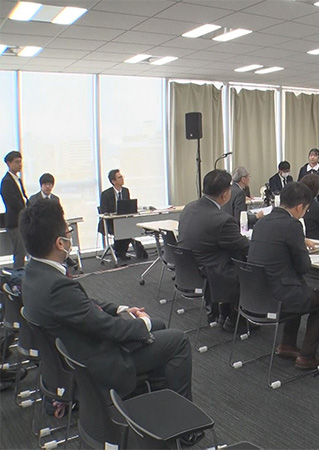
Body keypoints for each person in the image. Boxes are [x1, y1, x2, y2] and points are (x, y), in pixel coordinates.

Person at [19, 199, 202, 444]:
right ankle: (184, 428)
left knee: (157, 327)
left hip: (74, 352)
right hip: (97, 362)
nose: (70, 236)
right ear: (60, 243)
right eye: (68, 232)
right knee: (177, 340)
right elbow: (107, 328)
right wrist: (142, 324)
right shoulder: (56, 287)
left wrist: (120, 309)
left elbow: (81, 304)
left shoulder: (34, 273)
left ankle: (154, 401)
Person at [248, 182, 319, 369]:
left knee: (296, 286)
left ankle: (287, 345)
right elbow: (304, 267)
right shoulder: (292, 225)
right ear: (300, 207)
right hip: (278, 298)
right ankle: (306, 356)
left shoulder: (262, 222)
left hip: (257, 295)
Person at [178, 169, 250, 330]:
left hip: (189, 270)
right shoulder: (222, 220)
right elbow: (243, 246)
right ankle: (235, 318)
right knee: (248, 265)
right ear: (225, 194)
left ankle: (223, 312)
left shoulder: (189, 208)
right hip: (211, 272)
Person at [98, 169, 148, 261]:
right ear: (113, 181)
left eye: (122, 177)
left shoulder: (125, 191)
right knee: (123, 228)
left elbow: (127, 207)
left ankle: (120, 251)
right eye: (119, 177)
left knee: (130, 226)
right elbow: (104, 211)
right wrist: (115, 214)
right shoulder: (106, 194)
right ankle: (119, 251)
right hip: (111, 222)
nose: (122, 179)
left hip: (124, 221)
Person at [1, 151, 28, 268]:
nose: (19, 165)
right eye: (16, 162)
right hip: (15, 222)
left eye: (20, 162)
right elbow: (13, 203)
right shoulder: (6, 182)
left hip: (23, 220)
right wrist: (26, 211)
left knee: (26, 250)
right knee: (20, 251)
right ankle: (18, 275)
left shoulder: (18, 179)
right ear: (9, 163)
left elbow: (24, 198)